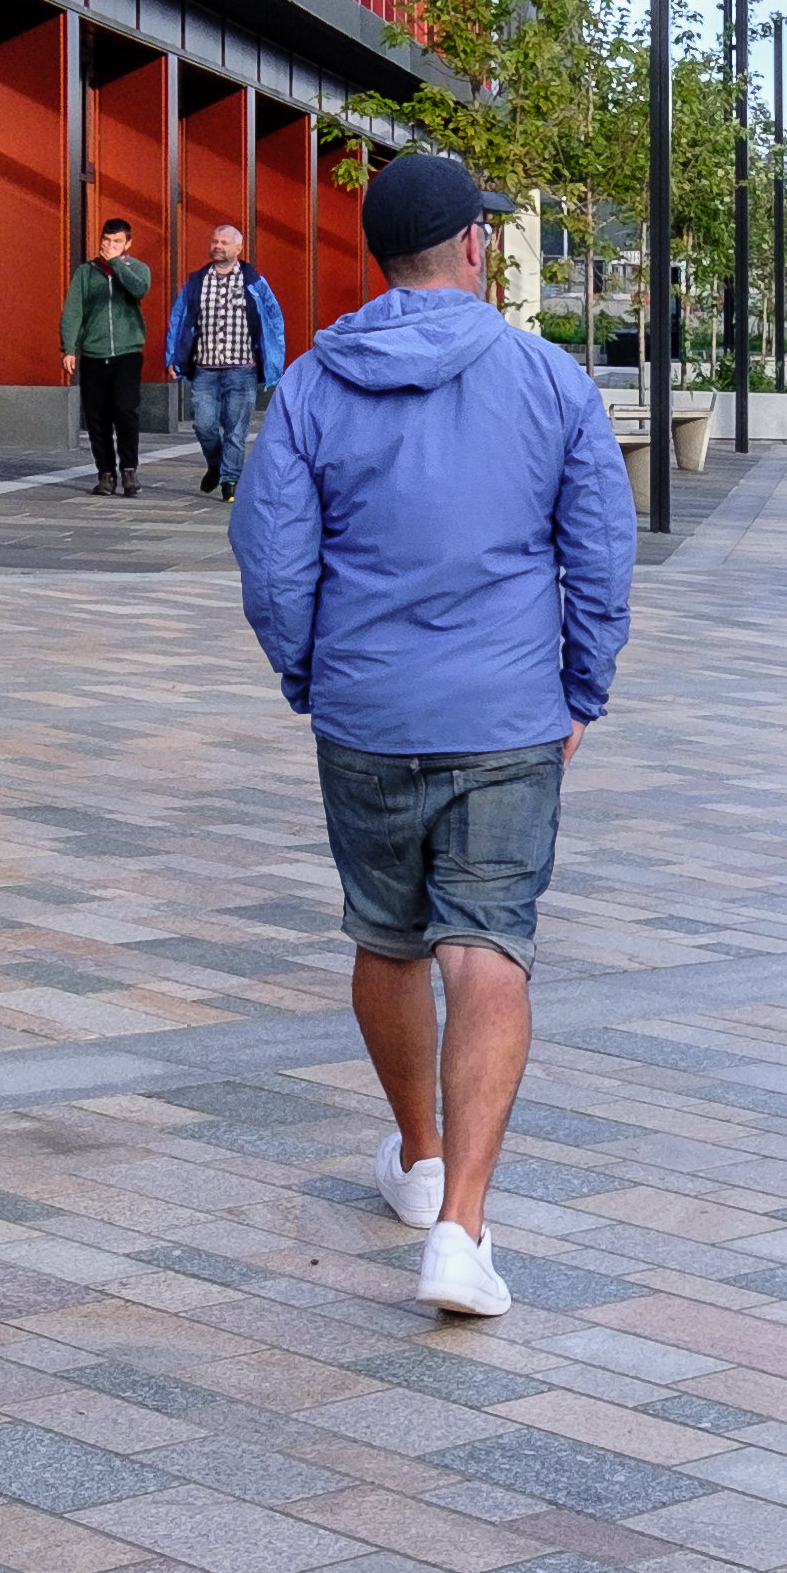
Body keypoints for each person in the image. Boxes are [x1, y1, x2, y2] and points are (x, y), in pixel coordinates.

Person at [233, 148, 634, 1320]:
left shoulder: (312, 383)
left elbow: (271, 556)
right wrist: (581, 690)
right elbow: (598, 554)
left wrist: (312, 671)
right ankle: (461, 1227)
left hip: (368, 711)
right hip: (508, 713)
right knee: (489, 948)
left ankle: (416, 1159)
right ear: (472, 248)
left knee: (388, 936)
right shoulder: (549, 378)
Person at [166, 221, 289, 498]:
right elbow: (179, 318)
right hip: (205, 369)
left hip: (242, 369)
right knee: (204, 424)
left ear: (239, 247)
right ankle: (216, 464)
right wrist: (173, 357)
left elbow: (273, 319)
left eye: (223, 242)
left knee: (236, 429)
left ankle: (230, 481)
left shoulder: (254, 282)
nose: (217, 246)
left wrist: (274, 361)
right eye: (214, 241)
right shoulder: (197, 281)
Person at [66, 219, 157, 493]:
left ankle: (129, 470)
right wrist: (69, 348)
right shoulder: (86, 272)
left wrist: (117, 264)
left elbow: (138, 289)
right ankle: (105, 473)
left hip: (127, 353)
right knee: (97, 417)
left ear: (127, 244)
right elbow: (73, 310)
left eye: (117, 241)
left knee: (125, 410)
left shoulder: (137, 269)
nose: (110, 245)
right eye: (107, 240)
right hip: (94, 353)